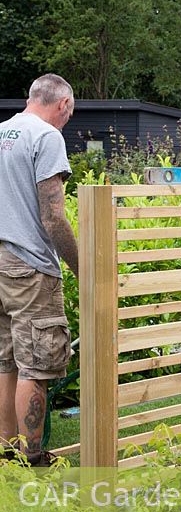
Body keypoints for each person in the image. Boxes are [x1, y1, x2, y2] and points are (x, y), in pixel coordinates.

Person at [0, 73, 78, 465]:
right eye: (69, 113)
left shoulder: (1, 132)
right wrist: (84, 267)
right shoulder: (47, 137)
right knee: (34, 365)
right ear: (62, 104)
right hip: (29, 267)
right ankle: (33, 459)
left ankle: (5, 455)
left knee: (5, 361)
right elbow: (53, 218)